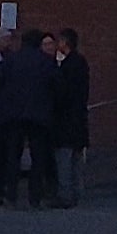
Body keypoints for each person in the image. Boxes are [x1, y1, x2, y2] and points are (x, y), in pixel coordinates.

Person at [26, 29, 89, 206]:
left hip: (66, 121)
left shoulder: (68, 66)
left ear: (64, 43)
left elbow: (62, 94)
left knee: (64, 160)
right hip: (78, 120)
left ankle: (65, 195)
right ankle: (76, 193)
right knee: (75, 160)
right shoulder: (80, 62)